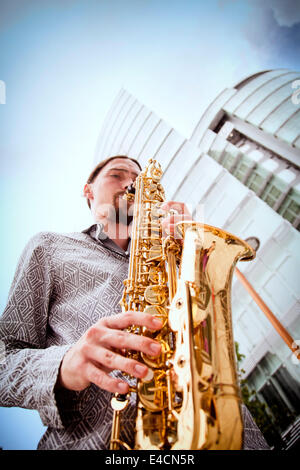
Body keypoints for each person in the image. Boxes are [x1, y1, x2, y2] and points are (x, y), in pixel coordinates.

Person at [0, 155, 269, 450]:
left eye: (138, 180)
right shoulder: (49, 247)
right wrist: (64, 364)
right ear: (88, 190)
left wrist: (190, 251)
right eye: (117, 175)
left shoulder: (175, 251)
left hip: (225, 431)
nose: (131, 183)